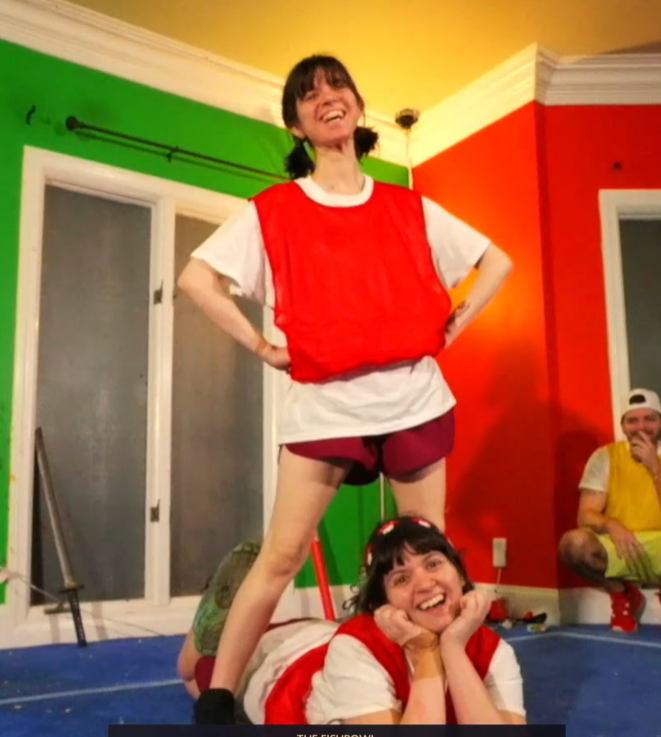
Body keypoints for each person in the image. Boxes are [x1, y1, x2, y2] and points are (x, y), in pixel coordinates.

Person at [177, 53, 513, 723]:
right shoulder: (274, 210)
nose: (326, 97)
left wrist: (450, 326)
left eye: (337, 86)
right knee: (280, 556)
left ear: (357, 107)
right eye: (308, 95)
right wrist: (263, 348)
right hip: (325, 407)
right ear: (296, 126)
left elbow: (496, 262)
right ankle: (218, 697)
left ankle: (443, 678)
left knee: (428, 560)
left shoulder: (407, 206)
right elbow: (195, 280)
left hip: (414, 402)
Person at [178, 516, 526, 725]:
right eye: (401, 579)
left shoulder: (495, 652)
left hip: (328, 641)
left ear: (460, 575)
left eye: (433, 564)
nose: (424, 583)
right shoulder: (357, 647)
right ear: (383, 605)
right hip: (283, 666)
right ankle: (214, 617)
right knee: (195, 676)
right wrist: (425, 651)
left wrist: (452, 646)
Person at [559, 388, 661, 633]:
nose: (641, 427)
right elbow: (585, 514)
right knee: (573, 545)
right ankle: (622, 594)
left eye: (649, 419)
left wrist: (654, 469)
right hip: (624, 546)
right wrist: (611, 525)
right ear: (623, 427)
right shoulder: (605, 457)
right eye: (632, 421)